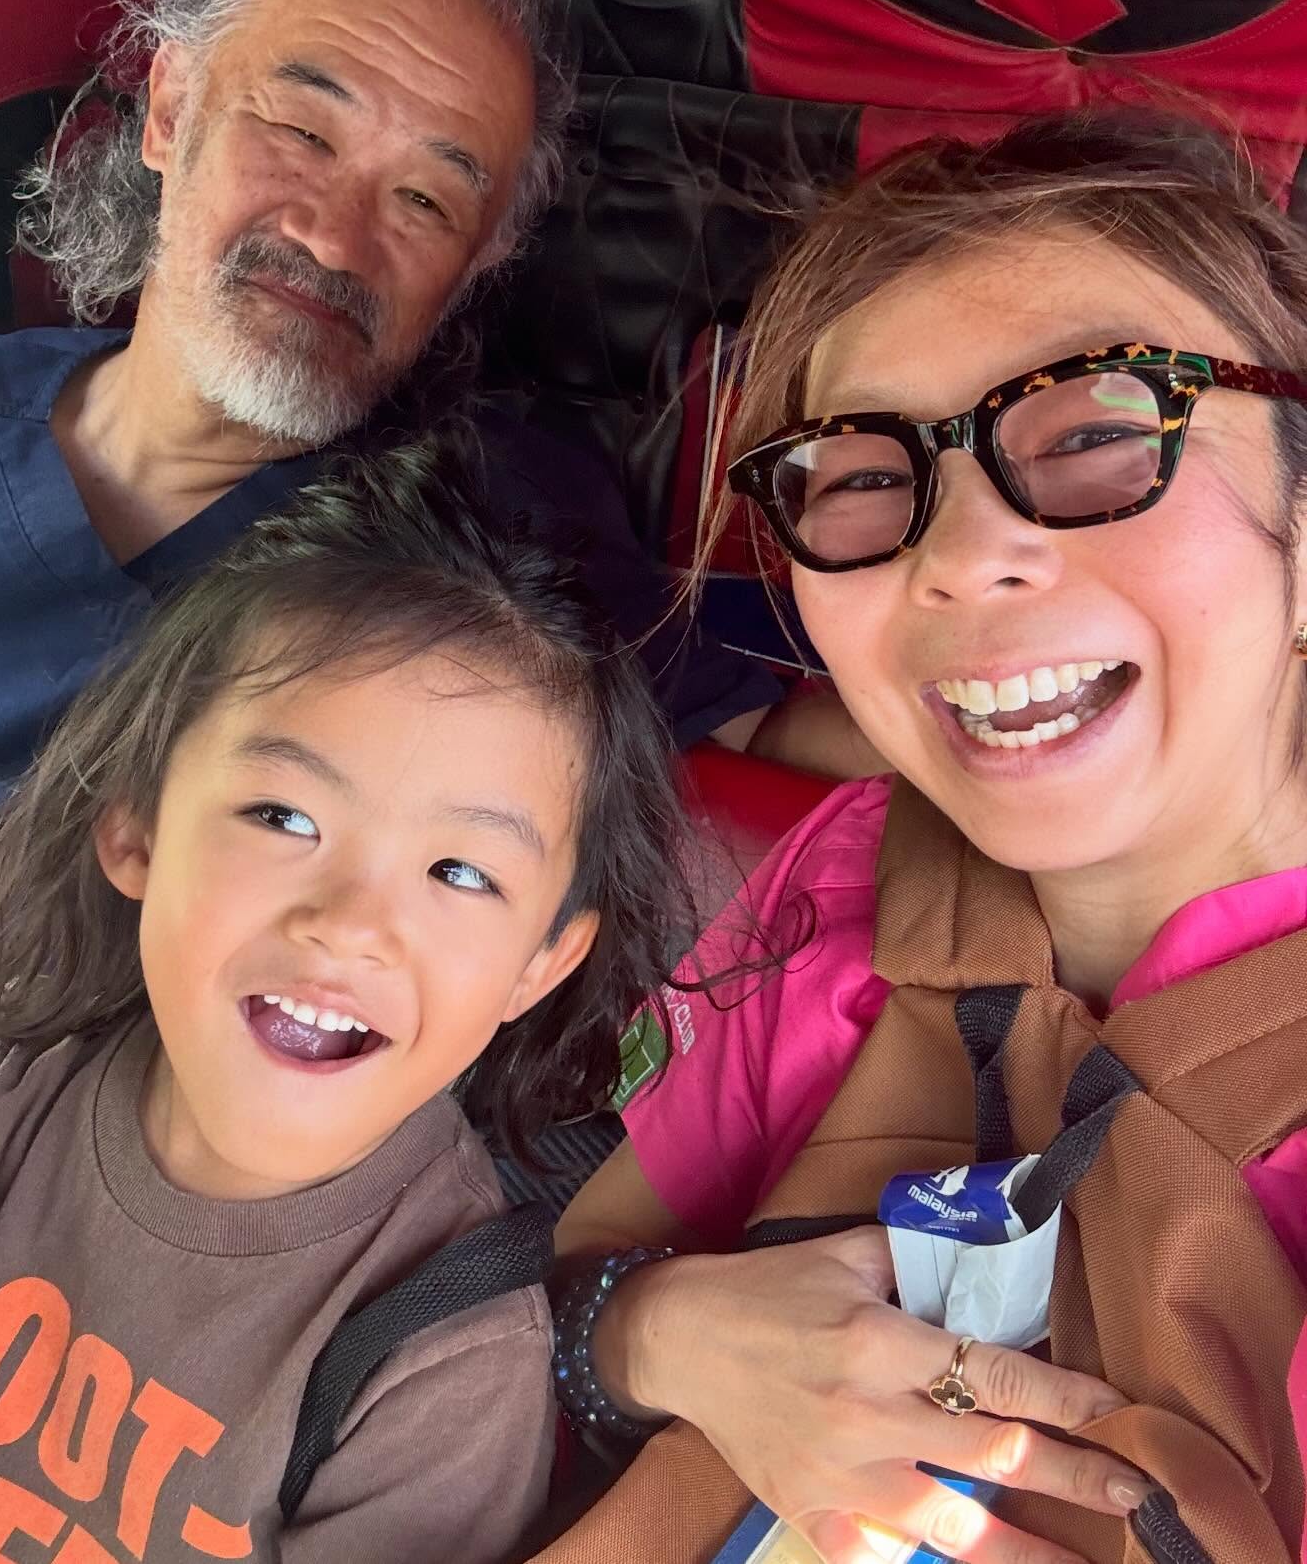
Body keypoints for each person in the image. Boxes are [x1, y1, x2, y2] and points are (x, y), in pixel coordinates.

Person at [0, 0, 867, 1053]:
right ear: (171, 111)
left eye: (426, 200)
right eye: (302, 133)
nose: (335, 238)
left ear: (476, 265)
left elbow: (790, 731)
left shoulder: (481, 543)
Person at [550, 113, 1307, 1564]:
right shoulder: (848, 876)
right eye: (860, 477)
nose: (956, 557)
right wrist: (664, 1333)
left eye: (1097, 433)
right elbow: (576, 1269)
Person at [0, 439, 696, 1564]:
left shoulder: (437, 1350)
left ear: (538, 966)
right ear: (137, 829)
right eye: (285, 818)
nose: (351, 924)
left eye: (460, 872)